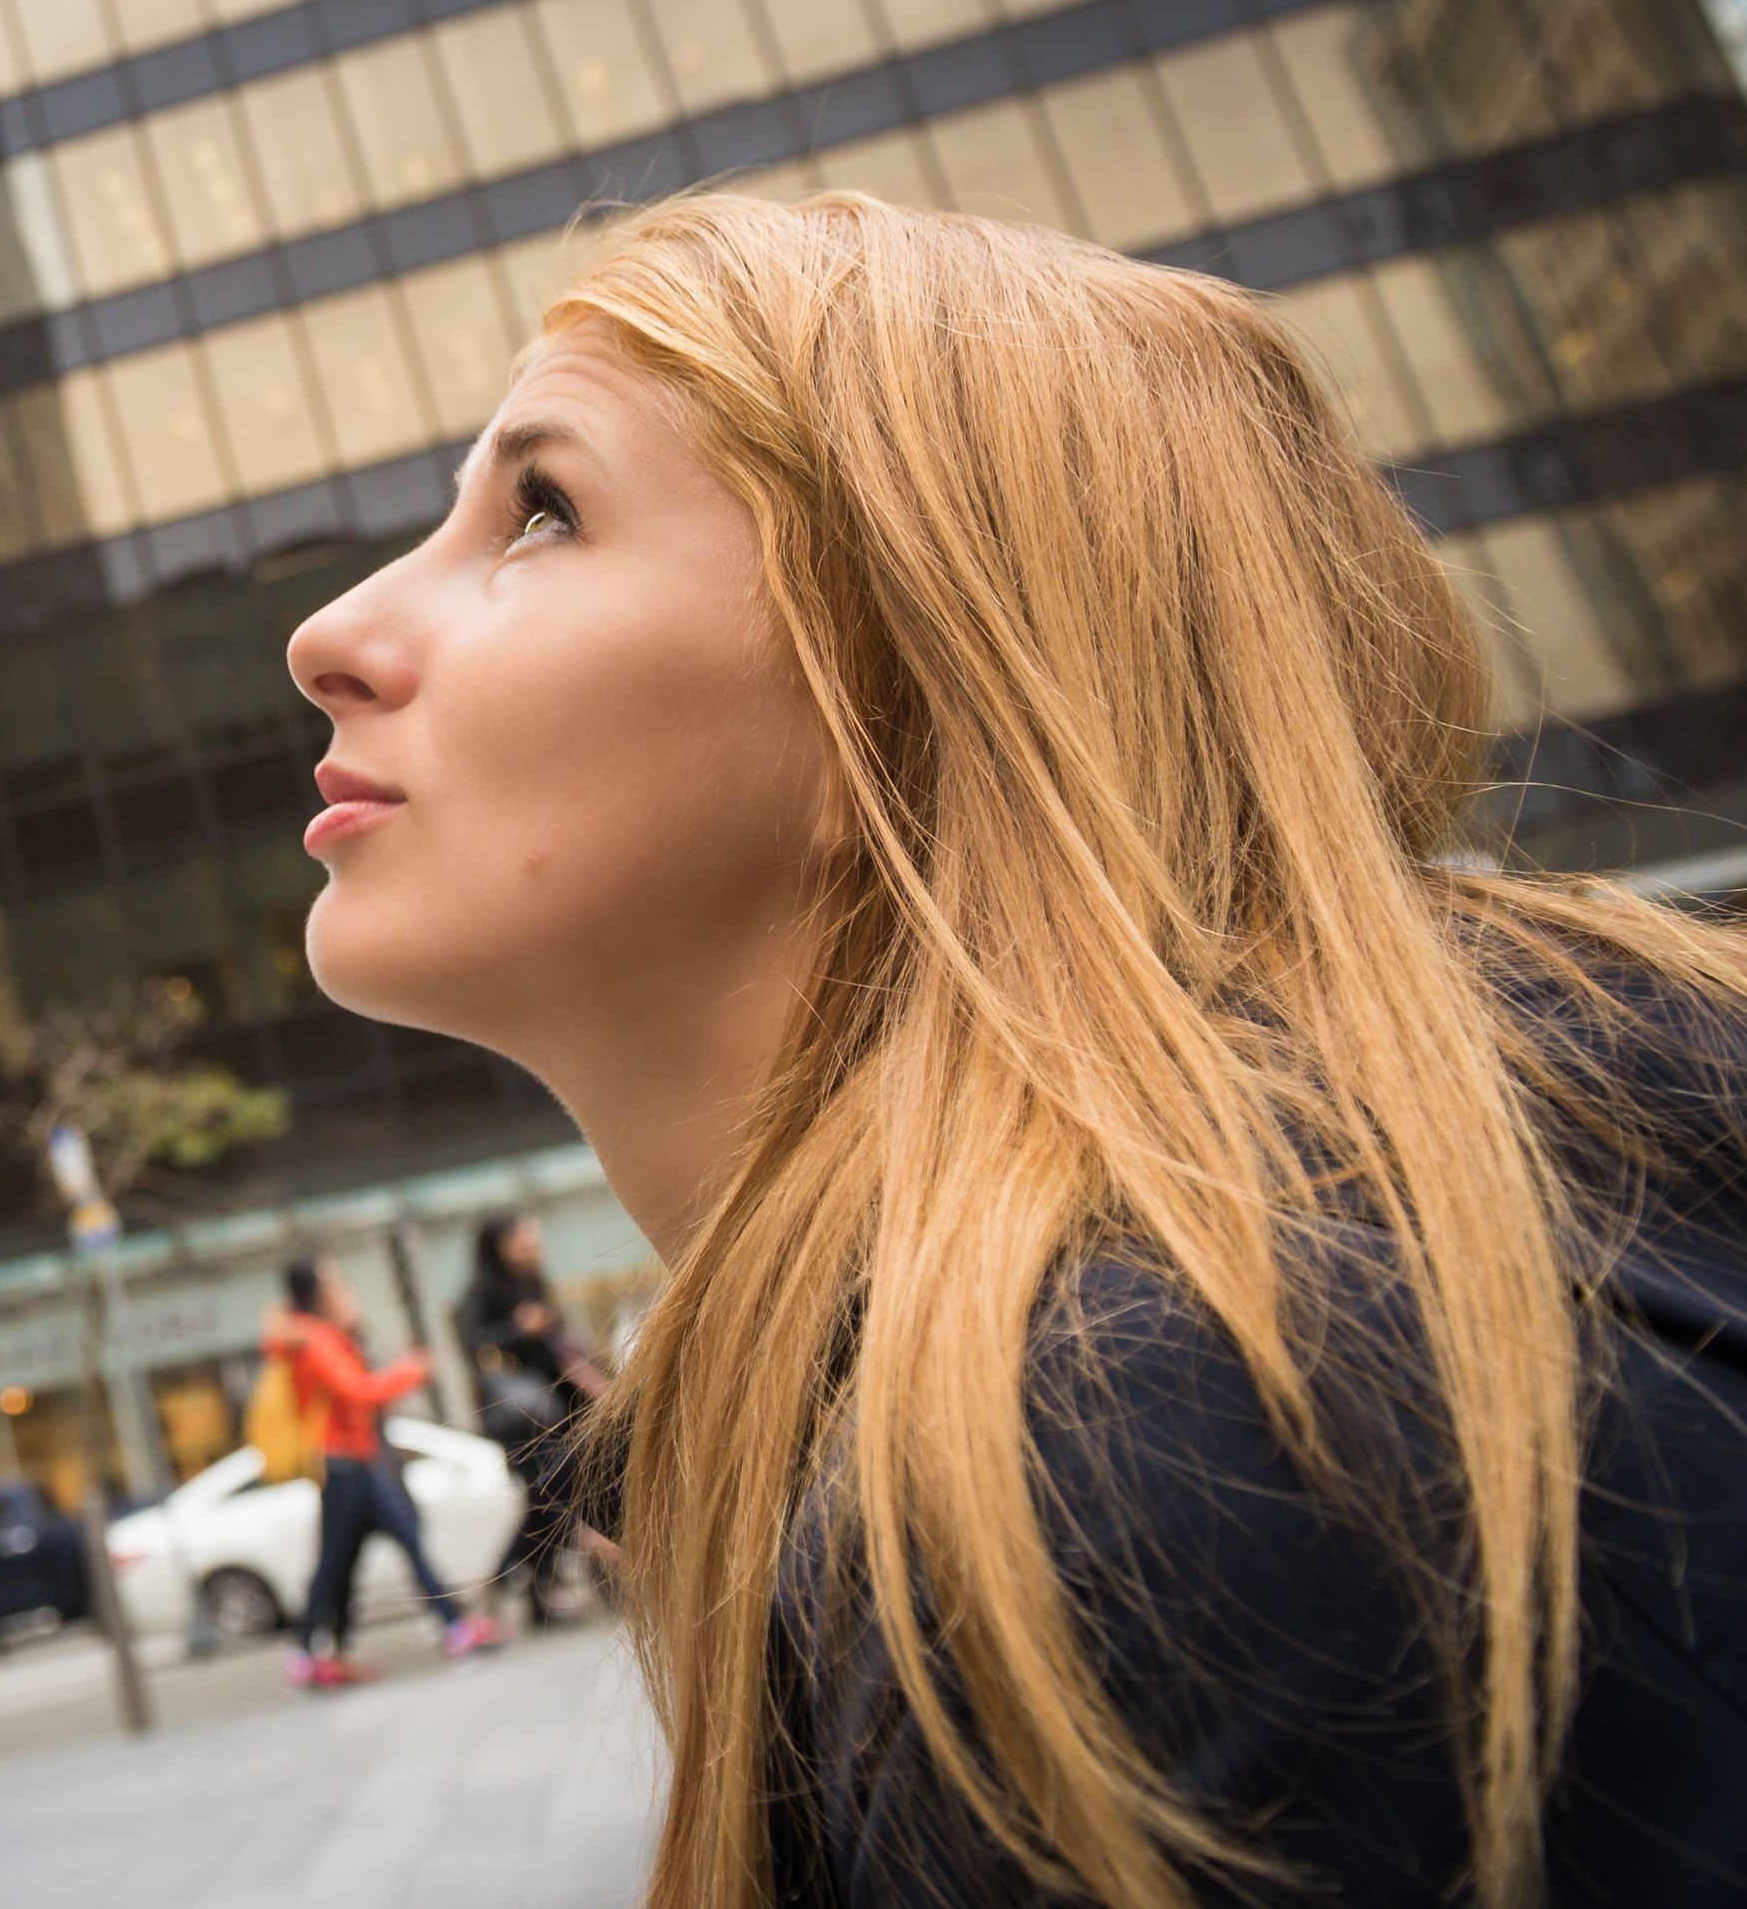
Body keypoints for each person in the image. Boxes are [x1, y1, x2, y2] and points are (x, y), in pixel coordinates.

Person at [282, 189, 1747, 1902]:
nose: (331, 636)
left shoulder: (1165, 1446)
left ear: (893, 698)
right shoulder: (1146, 1365)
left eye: (542, 509)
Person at [269, 1258, 499, 1688]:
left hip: (358, 1458)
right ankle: (306, 1654)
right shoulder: (313, 1338)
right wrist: (410, 1370)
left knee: (384, 1547)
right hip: (342, 1463)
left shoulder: (322, 1334)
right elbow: (358, 1392)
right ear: (315, 1290)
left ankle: (451, 1626)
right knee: (339, 1563)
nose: (340, 1286)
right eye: (332, 1281)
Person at [454, 1211, 610, 1627]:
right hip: (523, 1422)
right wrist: (519, 1329)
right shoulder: (484, 1291)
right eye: (521, 1237)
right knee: (552, 1503)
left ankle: (521, 1590)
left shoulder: (534, 1283)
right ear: (500, 1244)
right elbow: (475, 1345)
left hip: (556, 1415)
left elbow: (561, 1346)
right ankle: (523, 1588)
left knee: (544, 1508)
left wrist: (597, 1376)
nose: (532, 1243)